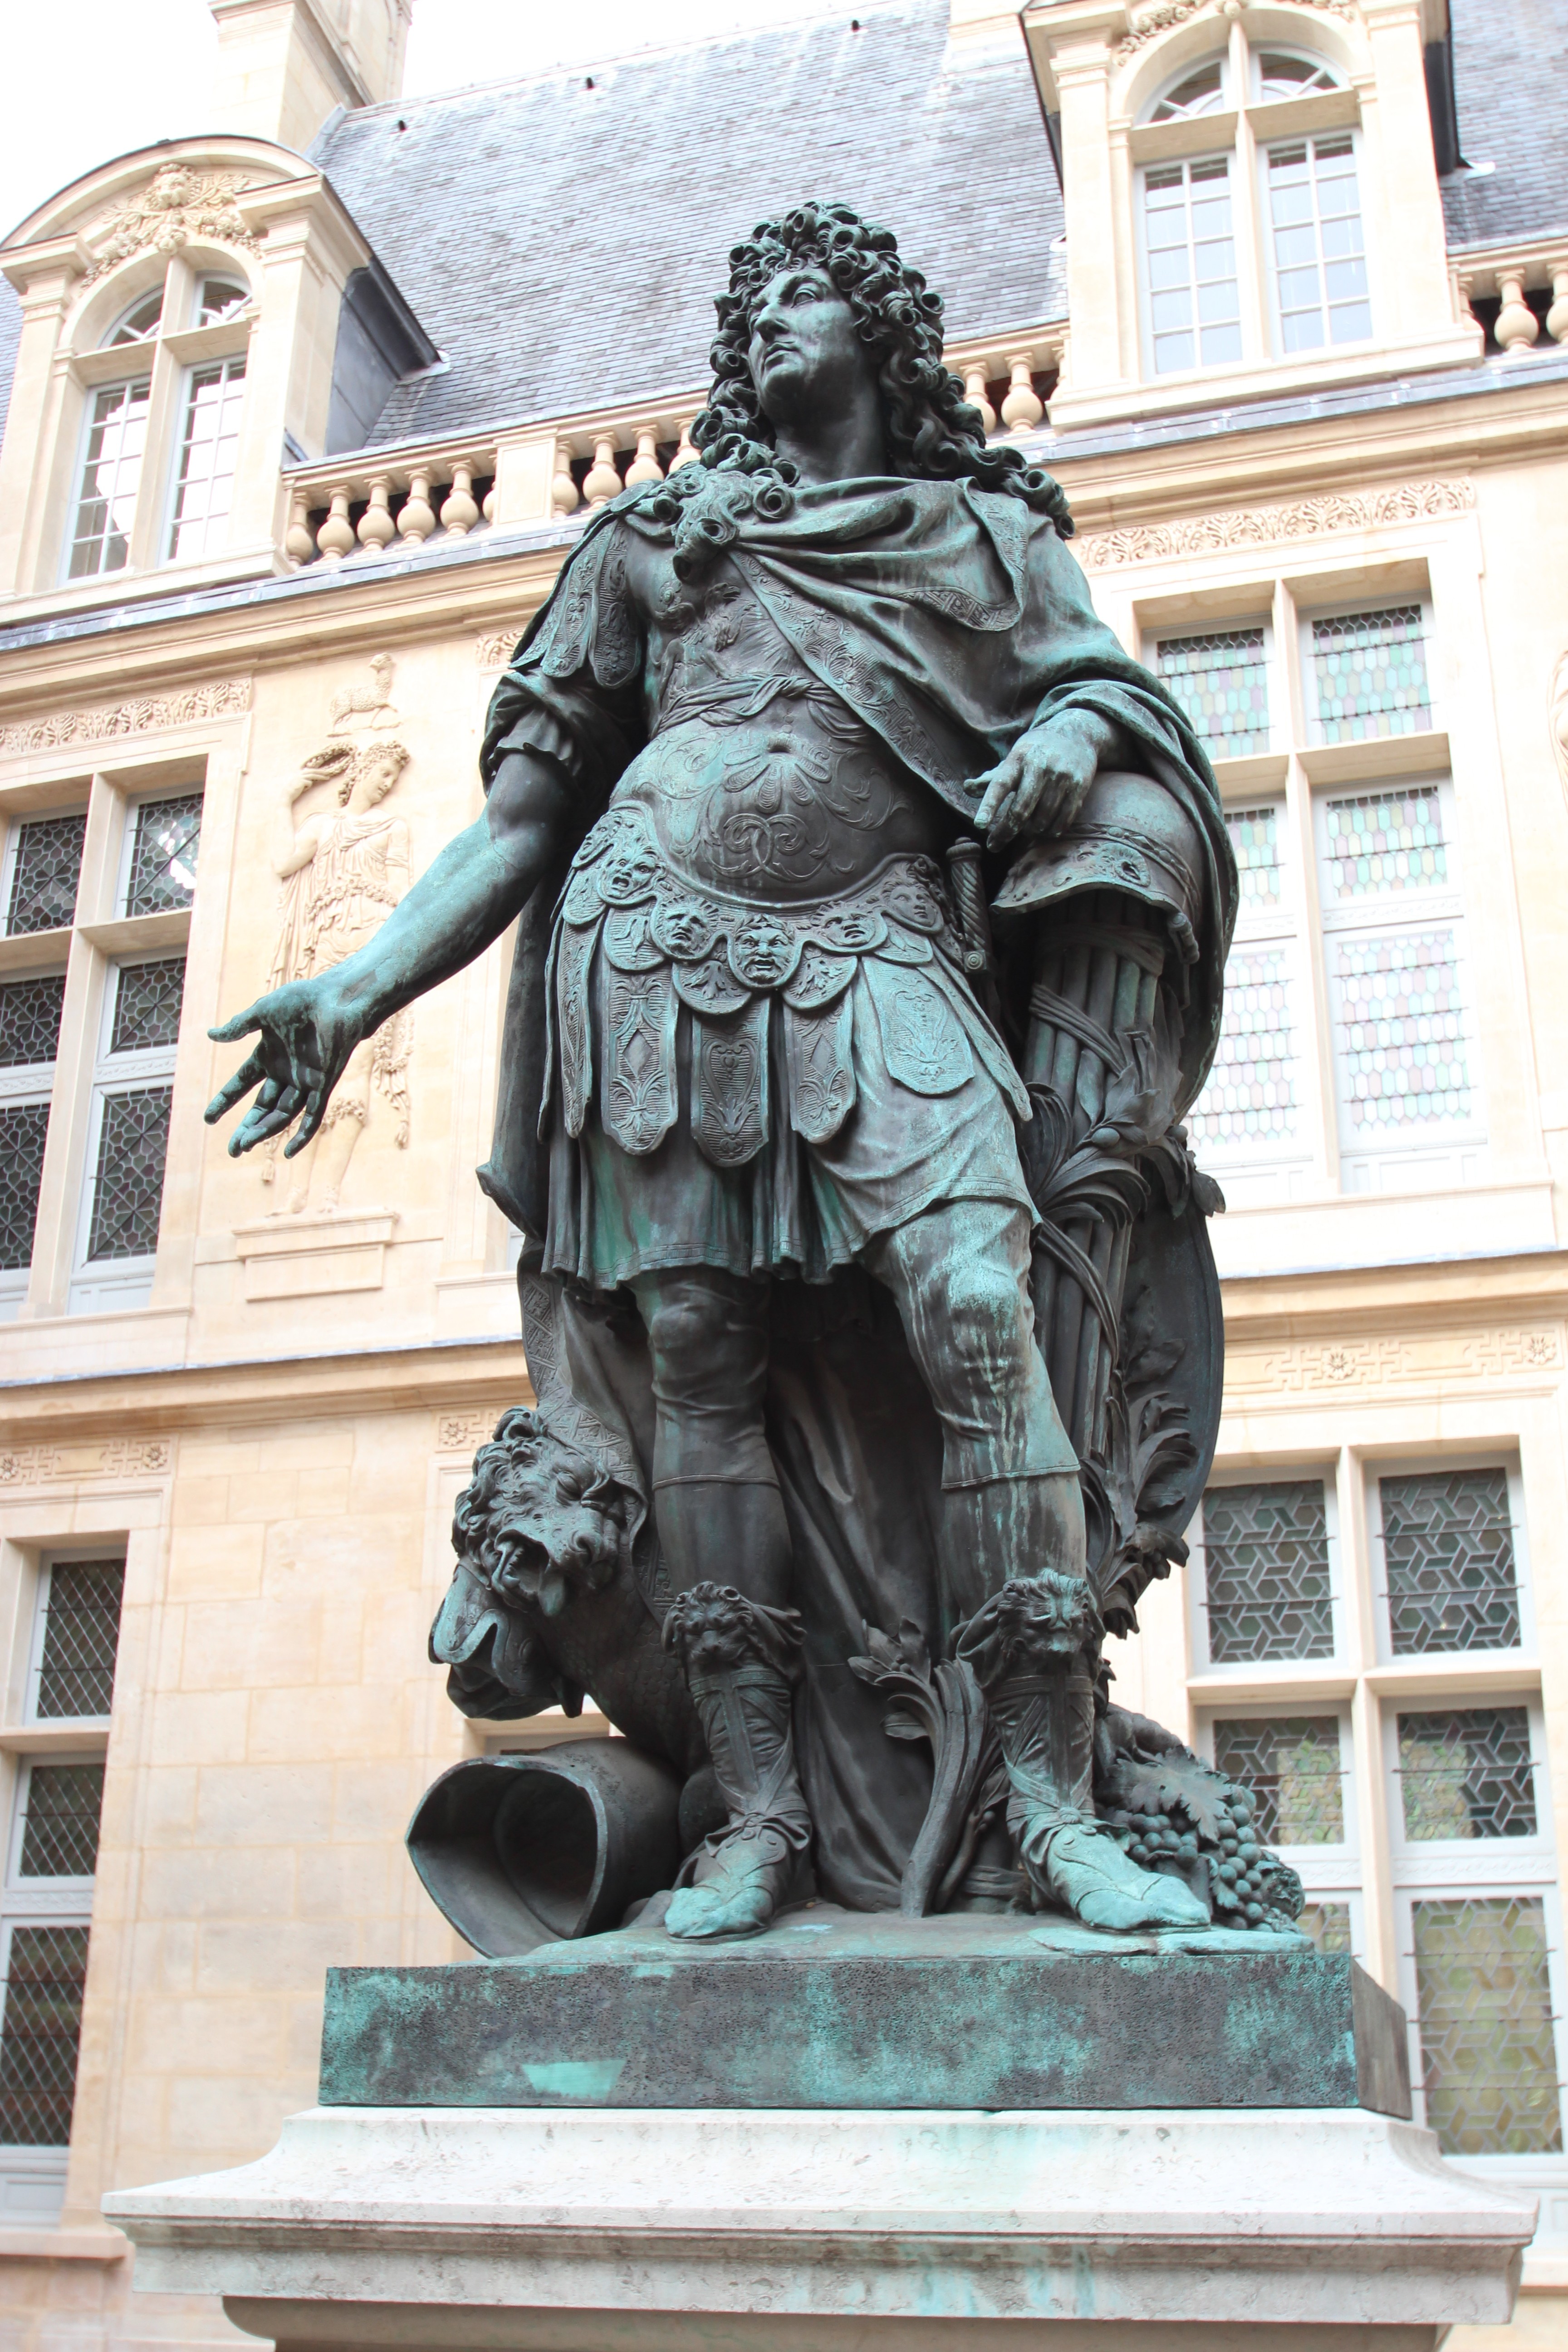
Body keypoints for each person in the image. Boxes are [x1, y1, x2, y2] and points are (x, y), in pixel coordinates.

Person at [208, 204, 1233, 1941]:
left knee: (979, 1306)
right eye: (744, 301)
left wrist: (1068, 732)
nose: (765, 322)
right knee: (700, 1361)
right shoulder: (649, 544)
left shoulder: (979, 538)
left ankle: (1045, 1808)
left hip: (881, 950)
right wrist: (359, 981)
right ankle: (757, 1817)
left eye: (803, 292)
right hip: (652, 968)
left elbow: (1113, 702)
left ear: (885, 332)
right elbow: (524, 817)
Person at [262, 738, 412, 1215]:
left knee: (359, 1066)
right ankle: (297, 1188)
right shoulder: (323, 827)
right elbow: (283, 862)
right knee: (310, 1065)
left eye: (393, 776)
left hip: (371, 952)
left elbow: (405, 896)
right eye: (382, 772)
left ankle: (330, 1190)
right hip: (325, 947)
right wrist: (285, 800)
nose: (388, 784)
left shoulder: (395, 828)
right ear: (363, 769)